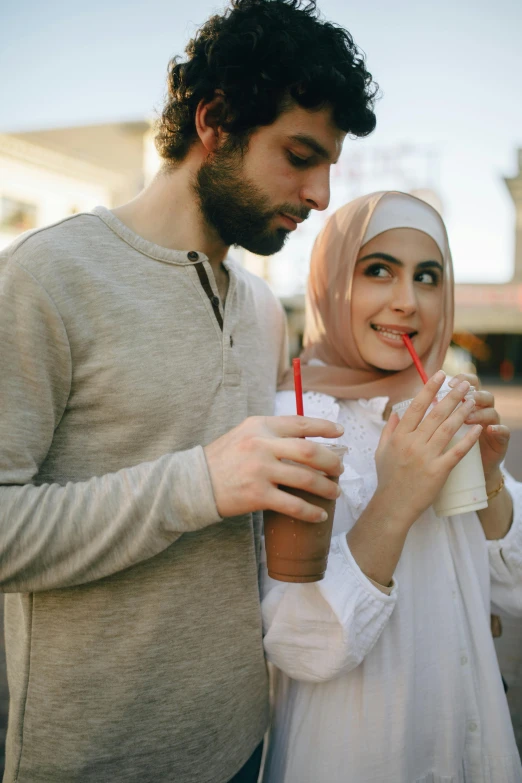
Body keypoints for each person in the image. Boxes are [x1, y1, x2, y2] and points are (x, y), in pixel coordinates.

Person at [0, 2, 379, 782]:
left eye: (329, 166)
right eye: (300, 155)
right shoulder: (46, 279)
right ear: (215, 121)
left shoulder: (262, 310)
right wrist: (198, 482)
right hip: (94, 758)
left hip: (245, 740)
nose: (318, 195)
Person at [262, 191, 522, 782]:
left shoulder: (443, 404)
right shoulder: (296, 420)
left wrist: (489, 485)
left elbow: (515, 593)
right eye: (378, 269)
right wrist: (397, 500)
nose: (407, 302)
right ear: (331, 281)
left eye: (427, 277)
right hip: (355, 755)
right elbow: (302, 646)